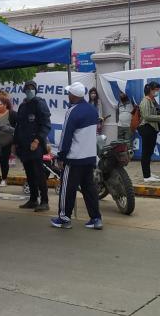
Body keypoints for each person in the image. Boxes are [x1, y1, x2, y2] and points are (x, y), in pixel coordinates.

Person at [51, 82, 103, 230]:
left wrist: (61, 156)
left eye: (69, 93)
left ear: (73, 96)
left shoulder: (72, 111)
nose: (68, 95)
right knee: (89, 189)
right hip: (89, 156)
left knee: (67, 189)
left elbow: (66, 136)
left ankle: (64, 218)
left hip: (74, 158)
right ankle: (96, 219)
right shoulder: (92, 110)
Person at [14, 80, 52, 211]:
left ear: (36, 90)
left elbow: (46, 125)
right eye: (27, 88)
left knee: (39, 174)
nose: (29, 90)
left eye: (32, 88)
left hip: (35, 146)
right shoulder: (23, 106)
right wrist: (15, 143)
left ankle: (45, 201)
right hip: (24, 146)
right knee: (29, 174)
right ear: (24, 90)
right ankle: (33, 199)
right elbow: (18, 126)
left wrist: (37, 140)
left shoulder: (39, 104)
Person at [137, 81, 160, 182]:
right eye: (155, 90)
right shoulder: (145, 101)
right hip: (147, 128)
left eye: (158, 90)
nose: (157, 92)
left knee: (150, 151)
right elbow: (146, 116)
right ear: (149, 90)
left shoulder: (153, 100)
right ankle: (146, 176)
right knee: (146, 152)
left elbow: (155, 111)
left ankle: (148, 173)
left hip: (153, 129)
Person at [0, 98, 17, 188]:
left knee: (4, 161)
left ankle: (4, 179)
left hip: (7, 142)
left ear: (5, 105)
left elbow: (16, 127)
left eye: (0, 104)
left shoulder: (12, 114)